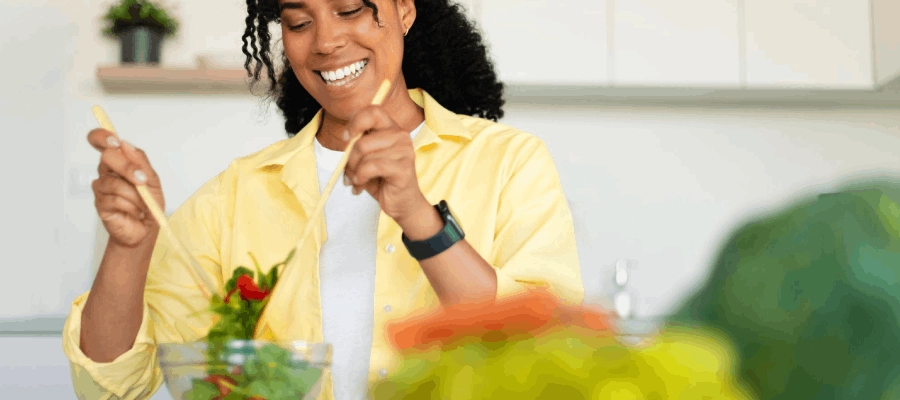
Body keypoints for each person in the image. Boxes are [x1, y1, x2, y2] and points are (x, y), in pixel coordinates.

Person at [62, 0, 584, 398]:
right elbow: (110, 385)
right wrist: (130, 248)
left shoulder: (509, 161)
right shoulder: (236, 195)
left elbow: (546, 351)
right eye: (298, 21)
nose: (326, 41)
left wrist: (420, 217)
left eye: (349, 10)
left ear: (404, 10)